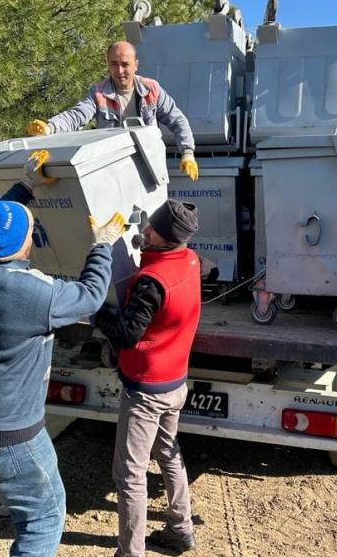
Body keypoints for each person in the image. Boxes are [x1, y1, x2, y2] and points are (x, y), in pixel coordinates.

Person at [0, 160, 126, 556]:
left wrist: (25, 186)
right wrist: (103, 244)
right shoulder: (34, 295)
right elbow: (90, 295)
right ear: (24, 245)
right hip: (5, 437)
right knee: (44, 517)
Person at [95, 199, 202, 557]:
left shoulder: (153, 282)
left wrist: (97, 312)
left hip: (146, 390)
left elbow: (127, 334)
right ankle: (180, 528)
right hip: (175, 383)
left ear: (163, 236)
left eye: (149, 227)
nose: (143, 231)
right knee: (168, 453)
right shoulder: (189, 260)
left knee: (129, 475)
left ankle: (130, 553)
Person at [25, 41, 200, 182]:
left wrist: (188, 153)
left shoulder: (152, 89)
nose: (120, 71)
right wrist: (49, 128)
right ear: (108, 65)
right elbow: (76, 116)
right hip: (113, 172)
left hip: (151, 170)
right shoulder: (98, 92)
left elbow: (178, 120)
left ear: (136, 65)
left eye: (125, 64)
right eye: (114, 64)